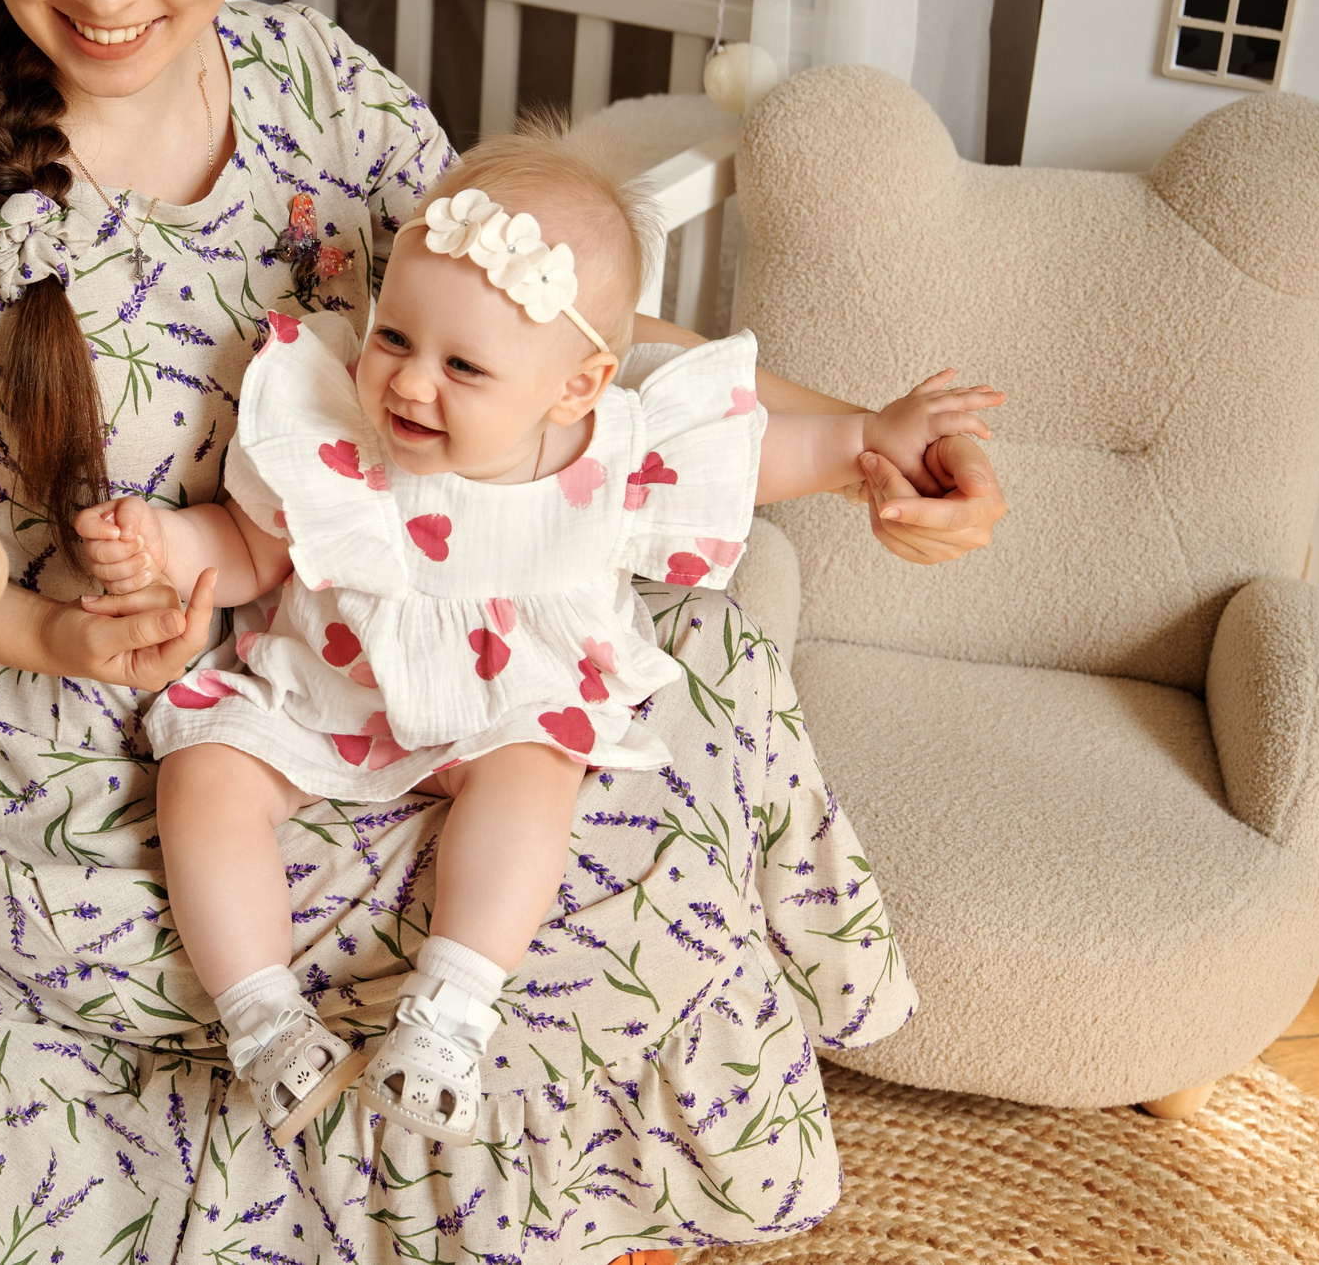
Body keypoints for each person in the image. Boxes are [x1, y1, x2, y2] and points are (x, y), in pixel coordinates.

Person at [0, 0, 1007, 1253]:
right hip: (100, 716)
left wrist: (856, 440)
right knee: (513, 879)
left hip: (380, 627)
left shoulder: (316, 85)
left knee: (664, 707)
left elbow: (535, 330)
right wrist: (57, 629)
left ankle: (602, 1186)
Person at [70, 126, 999, 1142]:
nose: (409, 383)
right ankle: (263, 1020)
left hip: (502, 704)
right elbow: (251, 550)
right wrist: (159, 539)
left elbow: (770, 450)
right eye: (393, 337)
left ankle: (449, 1014)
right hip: (328, 696)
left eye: (463, 365)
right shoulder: (333, 430)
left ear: (574, 387)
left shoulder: (607, 461)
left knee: (536, 773)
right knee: (201, 769)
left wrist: (874, 435)